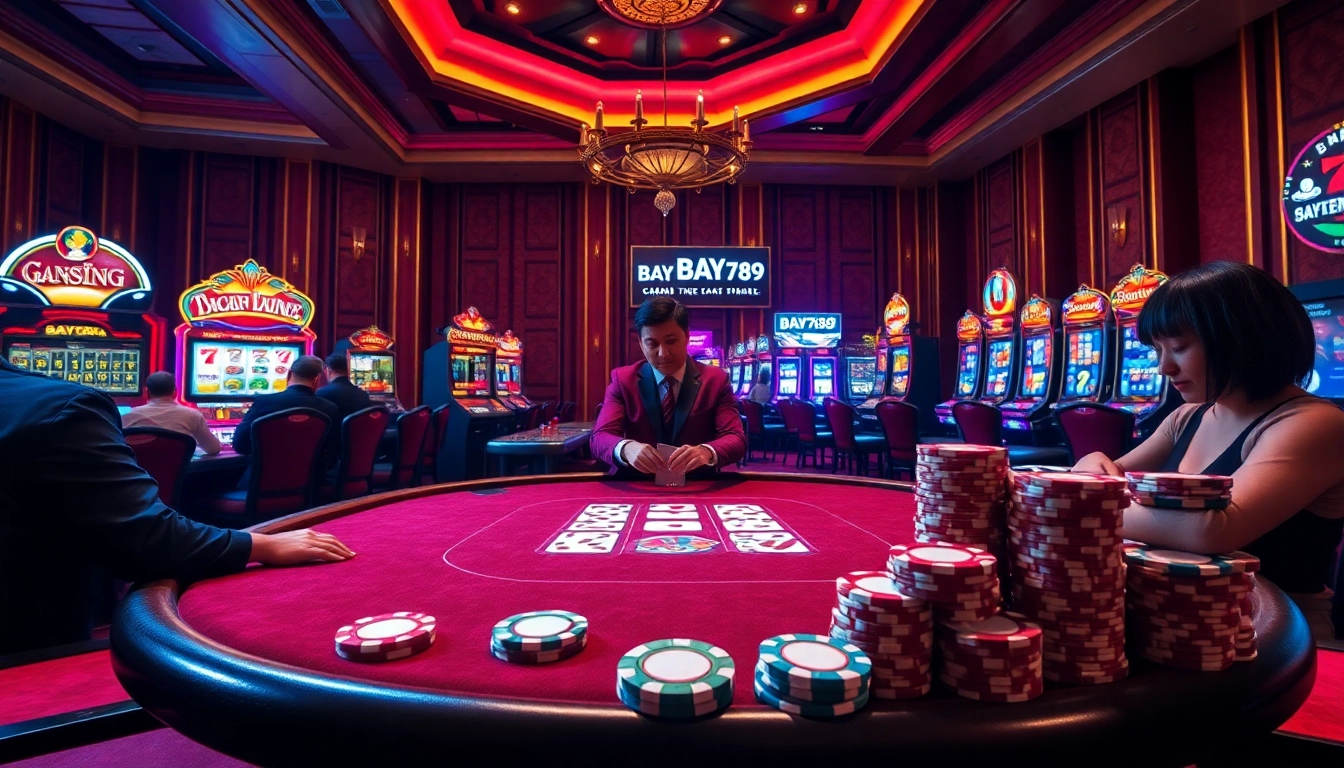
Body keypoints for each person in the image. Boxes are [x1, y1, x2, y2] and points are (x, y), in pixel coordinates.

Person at [0, 358, 355, 655]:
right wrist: (262, 544)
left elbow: (241, 444)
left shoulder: (99, 413)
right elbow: (141, 533)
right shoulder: (64, 405)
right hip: (28, 639)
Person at [1071, 262, 1344, 641]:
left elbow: (1213, 530)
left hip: (1275, 635)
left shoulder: (1314, 424)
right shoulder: (1189, 416)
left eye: (1180, 347)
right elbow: (1104, 473)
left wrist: (1084, 501)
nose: (1164, 366)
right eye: (1158, 350)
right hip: (1178, 614)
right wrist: (1091, 466)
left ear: (1242, 337)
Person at [591, 298, 746, 478]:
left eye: (671, 341)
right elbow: (600, 437)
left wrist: (707, 452)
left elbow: (736, 438)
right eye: (652, 344)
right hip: (635, 484)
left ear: (687, 336)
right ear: (641, 344)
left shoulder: (716, 380)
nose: (663, 353)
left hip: (696, 484)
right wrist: (625, 448)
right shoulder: (623, 379)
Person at [232, 354, 340, 468]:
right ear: (318, 379)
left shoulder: (264, 402)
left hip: (265, 479)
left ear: (288, 374)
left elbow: (240, 445)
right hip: (311, 481)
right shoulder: (329, 408)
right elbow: (334, 451)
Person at [121, 371, 222, 455]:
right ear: (175, 391)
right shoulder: (192, 415)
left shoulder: (127, 416)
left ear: (147, 392)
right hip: (179, 477)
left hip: (138, 476)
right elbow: (213, 449)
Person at [317, 352, 372, 424]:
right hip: (358, 434)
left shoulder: (322, 393)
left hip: (334, 434)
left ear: (328, 370)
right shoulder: (363, 394)